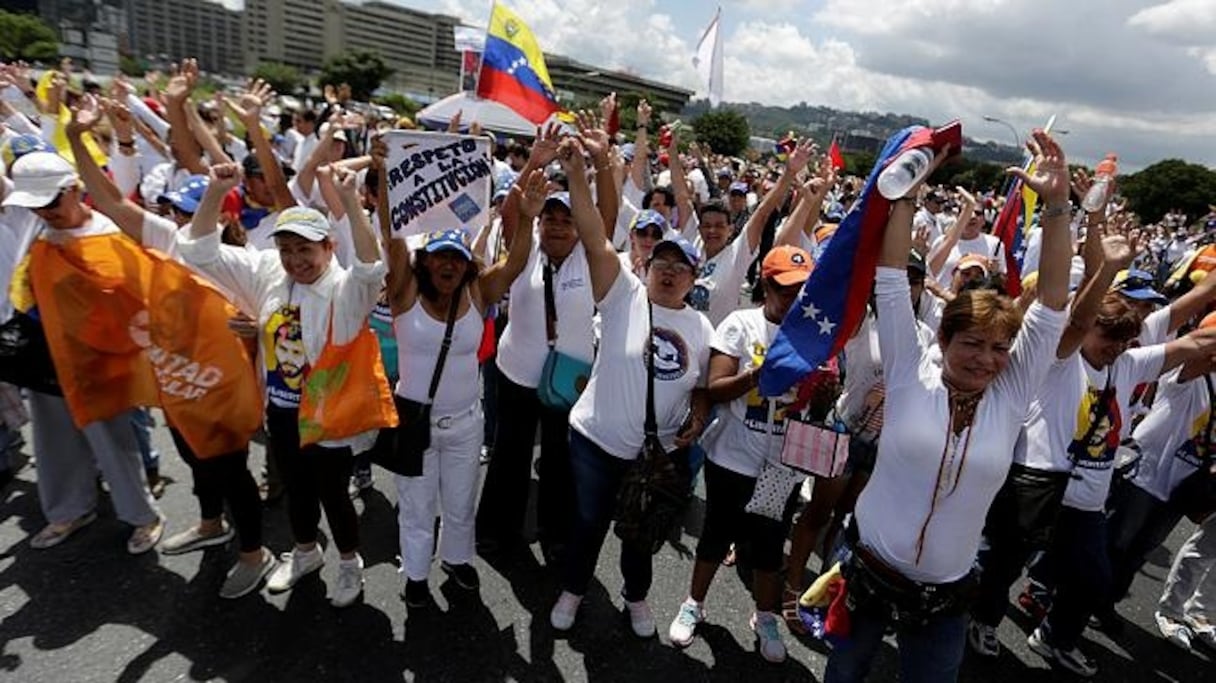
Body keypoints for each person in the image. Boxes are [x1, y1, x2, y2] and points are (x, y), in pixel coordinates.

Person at [823, 129, 1073, 683]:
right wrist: (910, 186)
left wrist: (1058, 207)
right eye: (973, 344)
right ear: (942, 341)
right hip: (867, 568)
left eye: (1000, 347)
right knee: (844, 674)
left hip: (948, 590)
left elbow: (1053, 302)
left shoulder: (1011, 394)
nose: (987, 359)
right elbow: (891, 280)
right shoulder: (913, 374)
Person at [65, 97, 273, 598]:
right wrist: (76, 138)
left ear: (221, 217)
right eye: (175, 209)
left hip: (224, 389)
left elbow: (276, 319)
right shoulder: (166, 238)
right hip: (177, 379)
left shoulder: (246, 261)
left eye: (186, 210)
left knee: (231, 469)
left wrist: (255, 329)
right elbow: (111, 202)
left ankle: (254, 552)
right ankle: (209, 524)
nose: (173, 217)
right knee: (194, 457)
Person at [182, 161, 386, 608]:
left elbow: (372, 270)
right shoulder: (269, 273)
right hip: (281, 408)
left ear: (330, 248)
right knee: (295, 488)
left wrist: (352, 204)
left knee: (334, 494)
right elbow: (197, 251)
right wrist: (216, 193)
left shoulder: (345, 288)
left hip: (328, 415)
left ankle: (350, 565)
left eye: (305, 250)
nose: (295, 260)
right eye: (287, 249)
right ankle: (306, 553)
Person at [548, 138, 713, 638]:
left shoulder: (703, 330)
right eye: (660, 262)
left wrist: (700, 414)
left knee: (640, 537)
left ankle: (636, 598)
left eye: (679, 267)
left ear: (693, 277)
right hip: (597, 442)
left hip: (654, 456)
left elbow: (704, 387)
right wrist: (580, 173)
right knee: (588, 523)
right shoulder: (622, 294)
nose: (667, 272)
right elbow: (595, 236)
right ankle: (573, 590)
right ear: (647, 265)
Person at [373, 144, 536, 607]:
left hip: (467, 423)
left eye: (457, 259)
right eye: (440, 257)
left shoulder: (479, 294)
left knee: (462, 503)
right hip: (414, 423)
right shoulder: (403, 290)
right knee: (418, 506)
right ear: (425, 261)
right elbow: (391, 236)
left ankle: (457, 560)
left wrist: (525, 217)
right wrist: (388, 178)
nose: (448, 265)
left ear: (467, 264)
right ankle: (417, 576)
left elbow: (517, 262)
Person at [3, 151, 165, 554]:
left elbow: (135, 301)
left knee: (113, 439)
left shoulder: (108, 235)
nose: (44, 212)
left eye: (51, 202)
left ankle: (143, 516)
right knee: (53, 436)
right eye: (34, 205)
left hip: (99, 358)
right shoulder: (38, 230)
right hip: (43, 353)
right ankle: (68, 509)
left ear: (74, 191)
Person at [666, 245, 814, 663]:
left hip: (782, 465)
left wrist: (823, 393)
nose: (795, 299)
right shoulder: (740, 324)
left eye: (803, 290)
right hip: (732, 456)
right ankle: (693, 603)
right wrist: (760, 374)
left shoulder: (814, 334)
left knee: (768, 546)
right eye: (786, 289)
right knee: (716, 534)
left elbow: (815, 407)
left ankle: (765, 616)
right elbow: (715, 388)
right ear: (766, 285)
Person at [476, 128, 599, 563]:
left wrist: (585, 167)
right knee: (509, 456)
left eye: (567, 219)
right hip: (515, 375)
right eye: (550, 218)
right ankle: (494, 530)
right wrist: (536, 160)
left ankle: (554, 533)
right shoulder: (525, 250)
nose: (559, 226)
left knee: (560, 463)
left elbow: (607, 209)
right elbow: (514, 210)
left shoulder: (590, 256)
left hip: (568, 383)